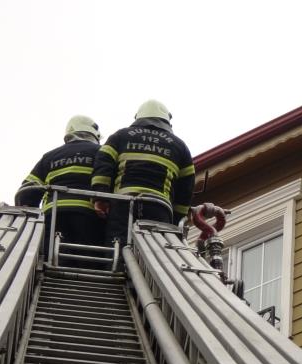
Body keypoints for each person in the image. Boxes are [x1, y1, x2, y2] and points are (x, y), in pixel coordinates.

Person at [91, 99, 195, 245]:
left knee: (117, 245)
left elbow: (103, 165)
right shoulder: (179, 146)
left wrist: (100, 198)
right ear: (167, 122)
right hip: (159, 207)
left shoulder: (121, 136)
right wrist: (176, 219)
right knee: (159, 252)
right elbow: (186, 187)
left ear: (138, 118)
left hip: (123, 203)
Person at [16, 115, 105, 261]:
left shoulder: (50, 156)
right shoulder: (102, 152)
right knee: (89, 260)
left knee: (53, 258)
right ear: (94, 134)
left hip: (54, 215)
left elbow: (28, 190)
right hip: (89, 214)